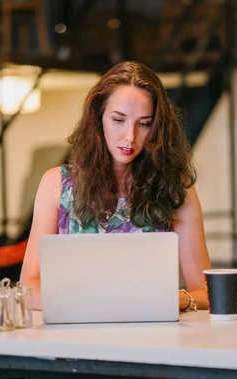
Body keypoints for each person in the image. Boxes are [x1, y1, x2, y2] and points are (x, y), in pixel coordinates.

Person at [20, 61, 211, 312]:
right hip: (75, 336)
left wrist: (174, 298)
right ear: (98, 116)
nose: (130, 136)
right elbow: (29, 286)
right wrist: (99, 304)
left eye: (144, 123)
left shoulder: (176, 190)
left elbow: (207, 293)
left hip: (151, 335)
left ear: (157, 127)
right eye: (118, 120)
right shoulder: (56, 184)